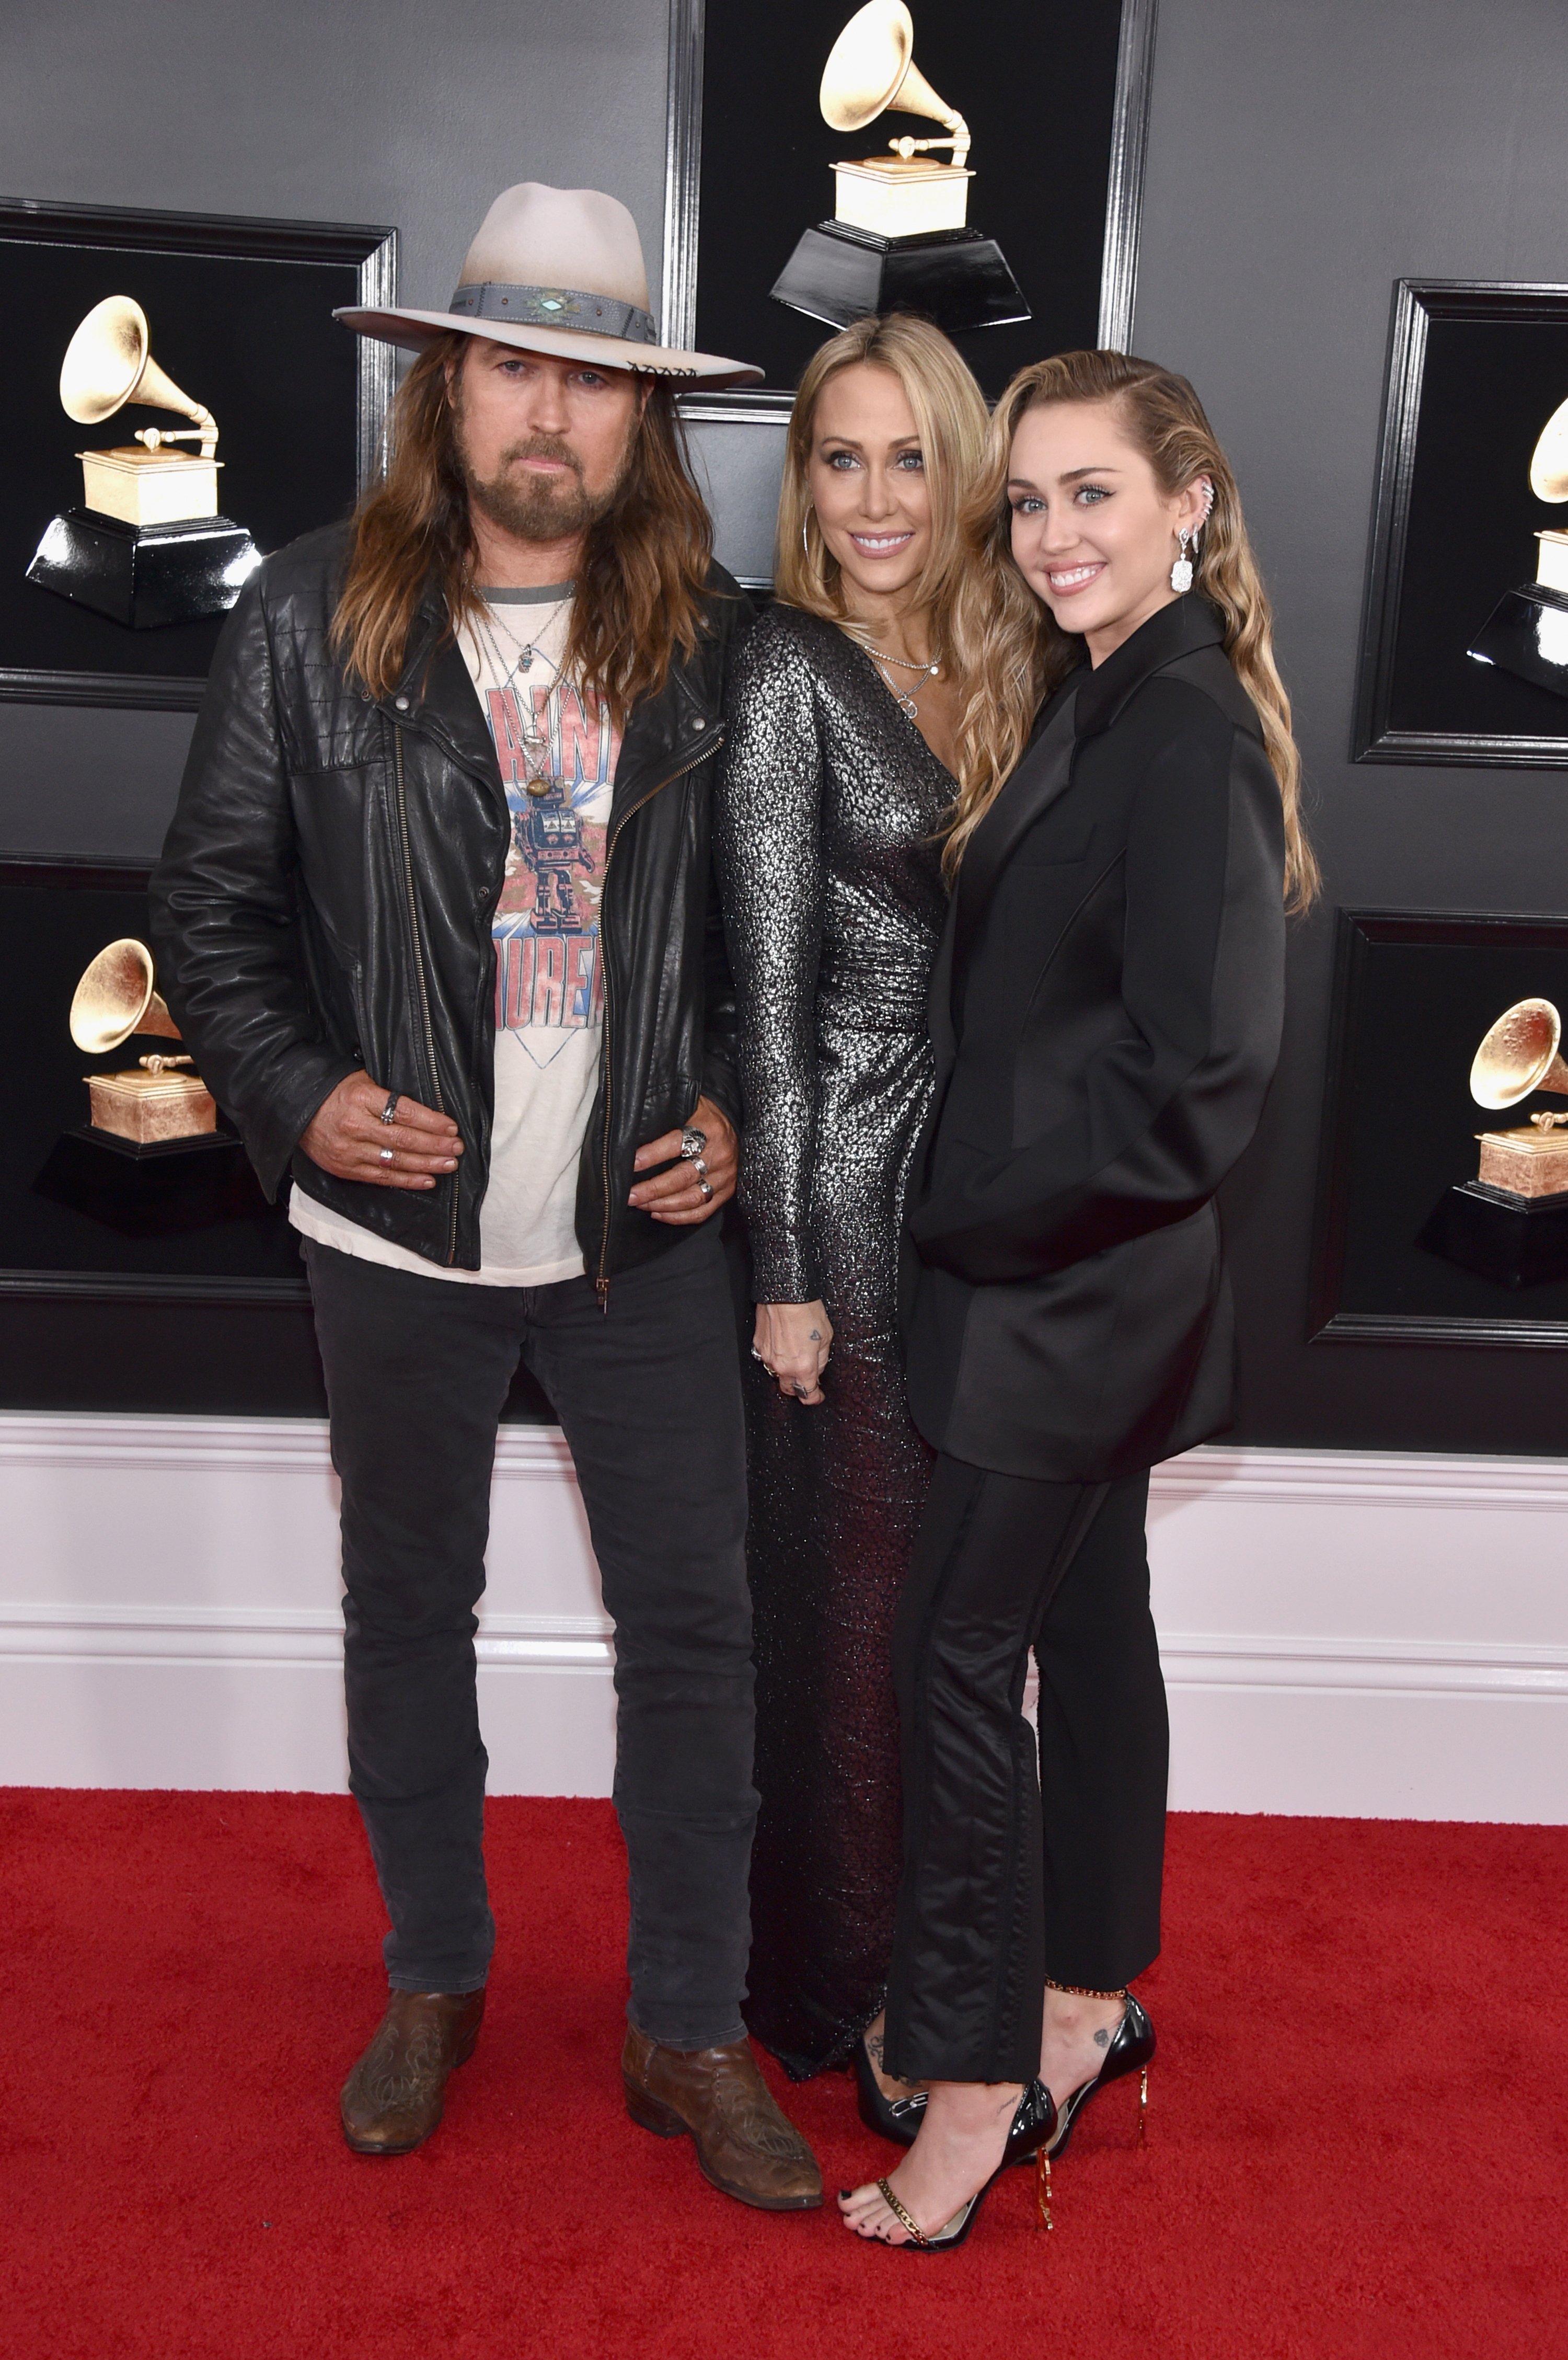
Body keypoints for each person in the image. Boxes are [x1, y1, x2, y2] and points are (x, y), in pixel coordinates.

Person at [150, 182, 824, 2213]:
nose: (552, 412)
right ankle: (436, 1976)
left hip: (640, 1249)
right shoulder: (301, 618)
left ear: (642, 424)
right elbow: (206, 907)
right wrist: (297, 1089)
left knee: (699, 1636)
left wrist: (721, 1109)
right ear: (447, 391)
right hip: (394, 1251)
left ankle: (685, 2022)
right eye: (515, 364)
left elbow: (764, 939)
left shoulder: (726, 650)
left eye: (595, 379)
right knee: (404, 1613)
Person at [840, 348, 1317, 2248]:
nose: (1051, 537)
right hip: (1074, 1284)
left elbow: (1203, 1079)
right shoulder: (1110, 690)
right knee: (1092, 1626)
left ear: (1187, 499)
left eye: (1092, 496)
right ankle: (1086, 1993)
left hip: (1067, 1293)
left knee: (955, 1656)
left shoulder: (1189, 725)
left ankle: (974, 2084)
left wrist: (971, 1211)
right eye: (1027, 503)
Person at [713, 316, 989, 2092]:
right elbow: (769, 999)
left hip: (1000, 1190)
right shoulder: (781, 668)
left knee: (964, 1610)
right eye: (840, 457)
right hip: (854, 1175)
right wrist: (791, 1270)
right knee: (861, 1605)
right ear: (801, 477)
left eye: (909, 457)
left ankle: (957, 1958)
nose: (876, 497)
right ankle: (847, 1994)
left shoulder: (1021, 650)